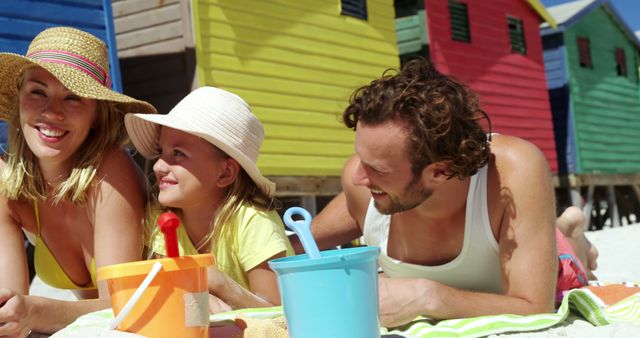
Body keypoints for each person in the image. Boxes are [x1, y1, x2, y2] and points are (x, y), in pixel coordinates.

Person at [303, 58, 599, 327]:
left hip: (539, 249)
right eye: (360, 158)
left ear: (440, 172)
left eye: (377, 169)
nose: (357, 177)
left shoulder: (512, 171)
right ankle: (561, 228)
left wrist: (427, 296)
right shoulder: (365, 188)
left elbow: (537, 308)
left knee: (567, 270)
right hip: (512, 233)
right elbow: (292, 246)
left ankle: (570, 235)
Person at [0, 26, 157, 335]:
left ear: (97, 115)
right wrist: (19, 315)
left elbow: (125, 309)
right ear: (19, 100)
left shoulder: (110, 171)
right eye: (37, 92)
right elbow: (9, 310)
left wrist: (37, 311)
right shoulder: (7, 190)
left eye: (73, 97)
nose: (52, 112)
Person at [125, 86, 294, 312]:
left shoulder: (253, 222)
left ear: (224, 173)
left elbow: (279, 313)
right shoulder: (162, 219)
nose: (158, 166)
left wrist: (218, 283)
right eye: (161, 151)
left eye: (178, 153)